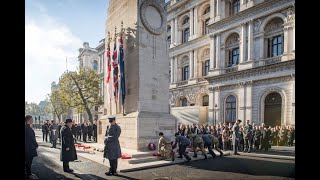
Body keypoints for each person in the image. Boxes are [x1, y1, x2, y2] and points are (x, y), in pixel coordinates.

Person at [25, 115, 39, 179]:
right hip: (29, 148)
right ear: (29, 120)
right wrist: (36, 145)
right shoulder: (28, 128)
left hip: (27, 147)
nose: (32, 120)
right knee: (29, 161)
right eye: (32, 119)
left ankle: (27, 172)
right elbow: (32, 138)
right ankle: (29, 174)